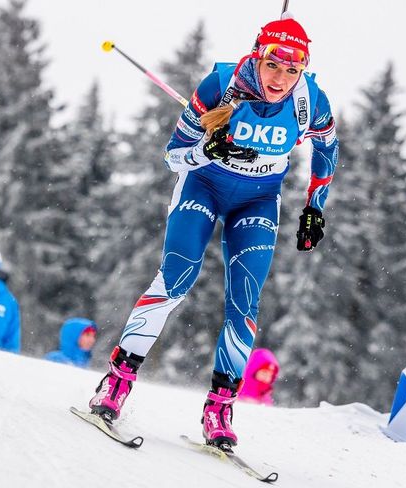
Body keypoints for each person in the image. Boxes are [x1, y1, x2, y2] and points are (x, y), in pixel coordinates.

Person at [87, 15, 338, 450]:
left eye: (292, 70)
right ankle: (117, 381)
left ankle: (219, 408)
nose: (281, 78)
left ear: (302, 70)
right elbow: (173, 157)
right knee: (176, 279)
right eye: (273, 65)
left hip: (257, 201)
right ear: (258, 57)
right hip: (203, 186)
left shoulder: (310, 101)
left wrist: (314, 206)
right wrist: (206, 149)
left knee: (245, 301)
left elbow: (328, 149)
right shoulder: (220, 85)